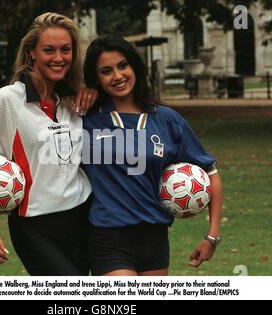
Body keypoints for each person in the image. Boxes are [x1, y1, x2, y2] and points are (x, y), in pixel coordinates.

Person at [0, 12, 98, 276]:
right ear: (31, 52)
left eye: (66, 50)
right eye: (48, 50)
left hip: (84, 216)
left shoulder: (74, 100)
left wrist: (94, 89)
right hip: (35, 227)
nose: (59, 58)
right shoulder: (6, 100)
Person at [82, 34, 223, 276]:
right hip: (108, 238)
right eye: (106, 71)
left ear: (134, 66)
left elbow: (211, 173)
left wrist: (212, 236)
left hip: (155, 238)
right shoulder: (86, 120)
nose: (117, 76)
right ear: (96, 78)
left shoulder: (167, 120)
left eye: (123, 66)